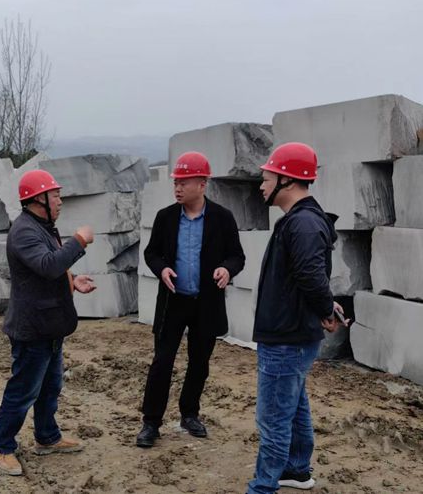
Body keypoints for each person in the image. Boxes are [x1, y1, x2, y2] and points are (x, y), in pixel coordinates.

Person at [247, 142, 349, 493]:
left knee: (273, 417)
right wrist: (327, 306)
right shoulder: (299, 220)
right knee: (294, 405)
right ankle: (297, 470)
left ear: (287, 180)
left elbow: (310, 274)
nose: (261, 185)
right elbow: (308, 277)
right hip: (291, 332)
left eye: (266, 178)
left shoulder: (303, 223)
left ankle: (263, 487)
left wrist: (325, 309)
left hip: (286, 336)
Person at [0, 169, 97, 476]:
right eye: (55, 195)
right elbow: (49, 266)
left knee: (51, 386)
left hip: (49, 325)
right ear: (38, 199)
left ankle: (47, 437)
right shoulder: (24, 231)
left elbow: (47, 271)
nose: (60, 201)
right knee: (24, 390)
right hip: (32, 328)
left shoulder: (43, 227)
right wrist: (80, 240)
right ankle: (2, 447)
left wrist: (72, 281)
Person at [137, 151, 245, 447]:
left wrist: (227, 269)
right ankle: (151, 422)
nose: (178, 188)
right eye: (176, 182)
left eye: (184, 182)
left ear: (202, 184)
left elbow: (237, 256)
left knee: (199, 362)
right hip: (173, 302)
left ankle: (189, 414)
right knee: (162, 362)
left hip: (206, 303)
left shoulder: (222, 218)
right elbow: (151, 253)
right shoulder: (166, 217)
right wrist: (161, 269)